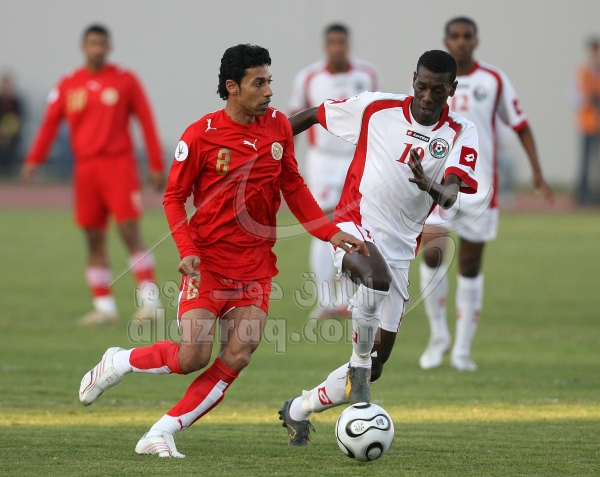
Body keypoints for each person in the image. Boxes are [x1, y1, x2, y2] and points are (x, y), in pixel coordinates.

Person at [78, 44, 368, 458]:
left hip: (255, 267)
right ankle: (120, 361)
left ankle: (162, 432)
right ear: (233, 87)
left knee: (239, 353)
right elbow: (173, 198)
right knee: (192, 355)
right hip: (209, 264)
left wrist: (329, 232)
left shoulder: (278, 127)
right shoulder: (200, 134)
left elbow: (293, 186)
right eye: (259, 83)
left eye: (269, 81)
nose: (269, 91)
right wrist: (187, 249)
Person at [279, 50, 480, 446]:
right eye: (421, 86)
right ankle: (357, 364)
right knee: (375, 280)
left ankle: (298, 408)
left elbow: (451, 194)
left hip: (401, 249)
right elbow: (314, 115)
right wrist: (266, 146)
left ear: (452, 89)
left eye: (437, 90)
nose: (427, 96)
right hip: (353, 225)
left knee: (377, 365)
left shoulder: (461, 131)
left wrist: (429, 184)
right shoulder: (376, 108)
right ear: (413, 80)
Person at [418, 17, 554, 372]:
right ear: (446, 40)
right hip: (438, 183)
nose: (461, 42)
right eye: (455, 36)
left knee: (470, 265)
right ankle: (438, 336)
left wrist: (537, 171)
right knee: (432, 251)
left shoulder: (493, 80)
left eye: (467, 36)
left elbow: (520, 124)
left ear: (476, 40)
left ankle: (462, 349)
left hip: (479, 188)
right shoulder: (433, 81)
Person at [21, 24, 166, 324]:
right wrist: (34, 159)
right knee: (93, 237)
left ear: (109, 47)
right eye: (92, 43)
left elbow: (146, 120)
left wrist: (155, 164)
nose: (97, 49)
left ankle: (150, 302)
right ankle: (104, 306)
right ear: (83, 47)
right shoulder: (69, 83)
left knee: (129, 231)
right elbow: (50, 123)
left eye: (102, 44)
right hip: (85, 168)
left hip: (119, 164)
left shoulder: (125, 80)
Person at [289, 23, 381, 318]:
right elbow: (294, 119)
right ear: (325, 45)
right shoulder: (308, 77)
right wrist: (286, 158)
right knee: (325, 222)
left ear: (348, 44)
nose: (337, 47)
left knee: (353, 222)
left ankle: (346, 297)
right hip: (323, 160)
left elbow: (375, 116)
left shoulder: (366, 74)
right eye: (332, 42)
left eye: (342, 42)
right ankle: (324, 298)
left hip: (355, 158)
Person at [574, 36, 600, 204]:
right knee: (586, 160)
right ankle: (583, 194)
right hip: (588, 123)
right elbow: (575, 96)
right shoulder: (583, 71)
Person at [0, 73, 22, 177]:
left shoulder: (16, 102)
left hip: (13, 135)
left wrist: (9, 133)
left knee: (11, 148)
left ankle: (9, 173)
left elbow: (20, 119)